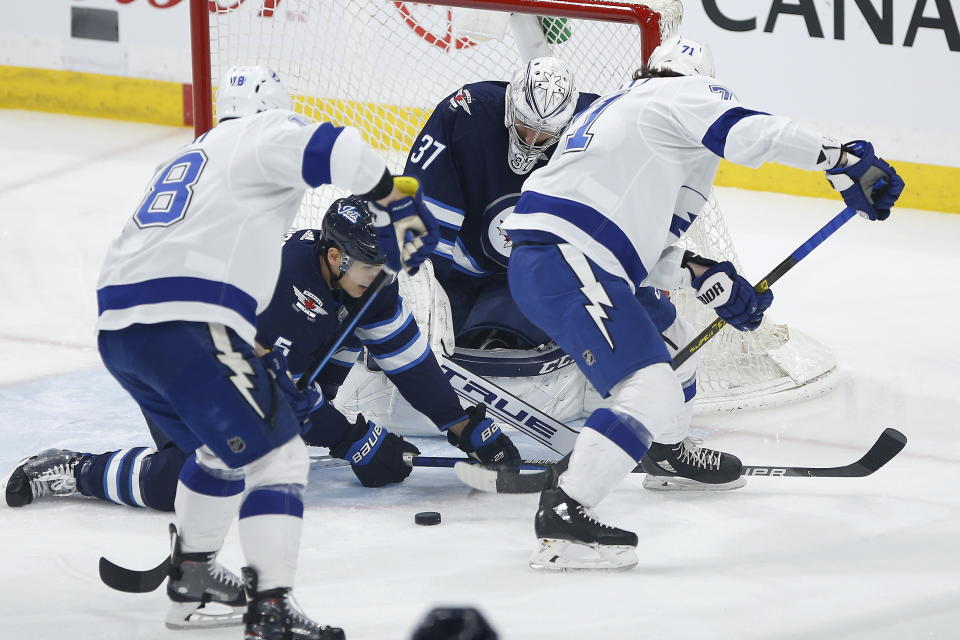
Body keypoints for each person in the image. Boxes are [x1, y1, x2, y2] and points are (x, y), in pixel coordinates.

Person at [500, 38, 905, 571]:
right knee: (647, 387)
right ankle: (565, 513)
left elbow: (658, 239)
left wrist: (709, 277)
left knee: (674, 344)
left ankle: (666, 452)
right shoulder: (676, 95)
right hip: (568, 256)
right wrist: (842, 157)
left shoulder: (638, 121)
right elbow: (753, 132)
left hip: (579, 258)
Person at [92, 65, 442, 639]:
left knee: (220, 451)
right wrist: (394, 198)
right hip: (188, 320)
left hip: (121, 328)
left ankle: (195, 580)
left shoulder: (196, 155)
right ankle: (272, 612)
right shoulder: (261, 135)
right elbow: (337, 145)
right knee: (280, 458)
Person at [3, 199, 518, 515]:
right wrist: (349, 439)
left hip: (250, 373)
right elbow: (268, 391)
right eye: (372, 267)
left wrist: (462, 424)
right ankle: (77, 470)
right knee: (201, 478)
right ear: (334, 256)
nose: (382, 279)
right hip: (178, 364)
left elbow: (407, 358)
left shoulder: (367, 283)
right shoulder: (277, 283)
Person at [336, 57, 601, 432]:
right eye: (525, 128)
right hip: (461, 266)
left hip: (531, 273)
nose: (531, 142)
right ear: (510, 108)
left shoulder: (595, 126)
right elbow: (423, 210)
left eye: (543, 136)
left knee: (504, 335)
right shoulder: (466, 112)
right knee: (400, 322)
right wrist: (421, 282)